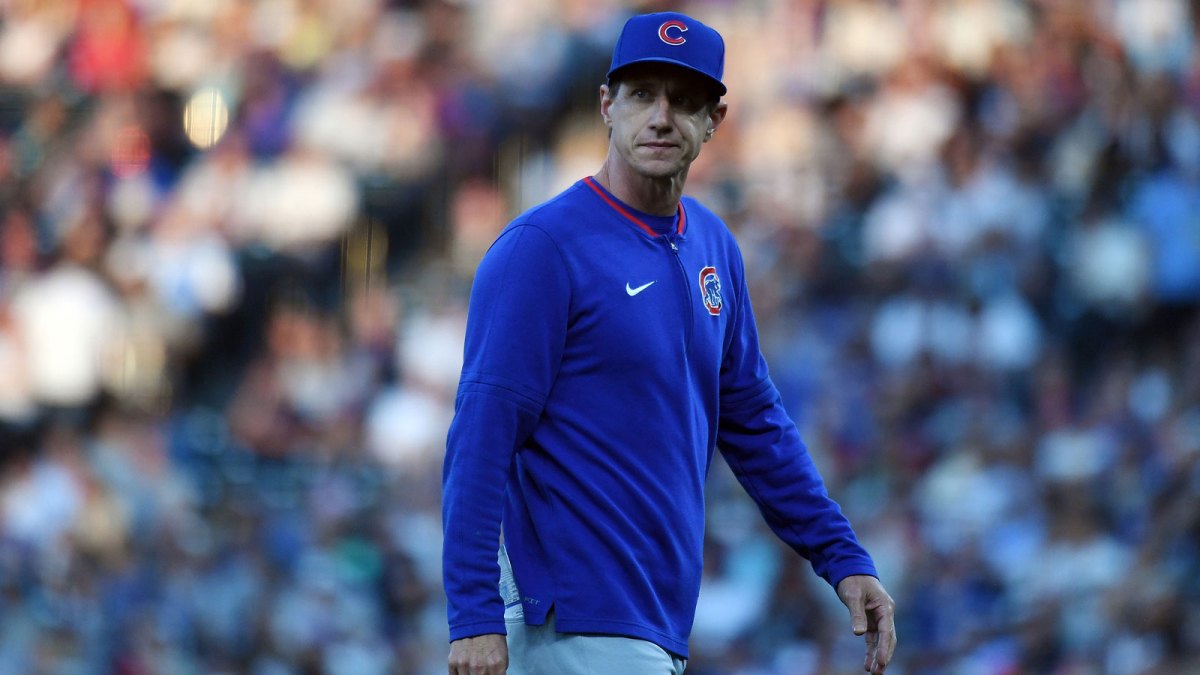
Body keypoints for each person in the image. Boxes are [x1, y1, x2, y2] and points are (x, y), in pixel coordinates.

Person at [442, 11, 896, 675]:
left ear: (715, 120)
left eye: (684, 102)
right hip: (565, 622)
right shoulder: (544, 249)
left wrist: (842, 556)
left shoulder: (713, 246)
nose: (661, 117)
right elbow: (481, 434)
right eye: (641, 95)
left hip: (654, 623)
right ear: (607, 105)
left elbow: (755, 423)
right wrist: (475, 613)